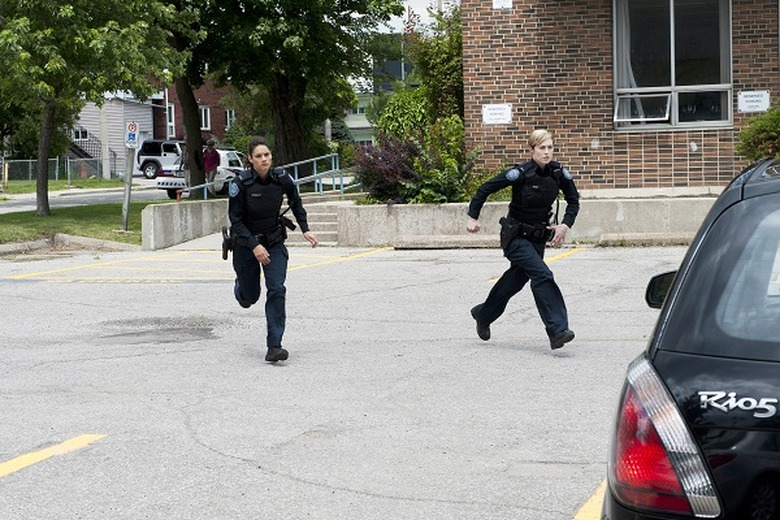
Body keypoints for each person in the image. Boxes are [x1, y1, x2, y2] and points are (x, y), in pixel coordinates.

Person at [466, 129, 580, 350]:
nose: (547, 153)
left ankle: (484, 314)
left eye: (550, 147)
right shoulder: (520, 173)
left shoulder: (558, 173)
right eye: (542, 148)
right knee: (543, 274)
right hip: (516, 237)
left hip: (537, 239)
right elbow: (484, 189)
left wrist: (565, 224)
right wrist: (473, 217)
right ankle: (557, 330)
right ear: (532, 150)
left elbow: (574, 201)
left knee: (515, 280)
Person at [228, 137, 319, 362]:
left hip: (274, 242)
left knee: (277, 289)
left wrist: (305, 229)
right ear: (250, 159)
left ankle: (274, 346)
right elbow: (235, 220)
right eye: (258, 156)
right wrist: (254, 245)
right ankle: (241, 288)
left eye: (266, 155)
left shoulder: (282, 178)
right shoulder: (240, 183)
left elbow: (296, 203)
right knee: (250, 297)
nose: (264, 159)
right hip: (246, 245)